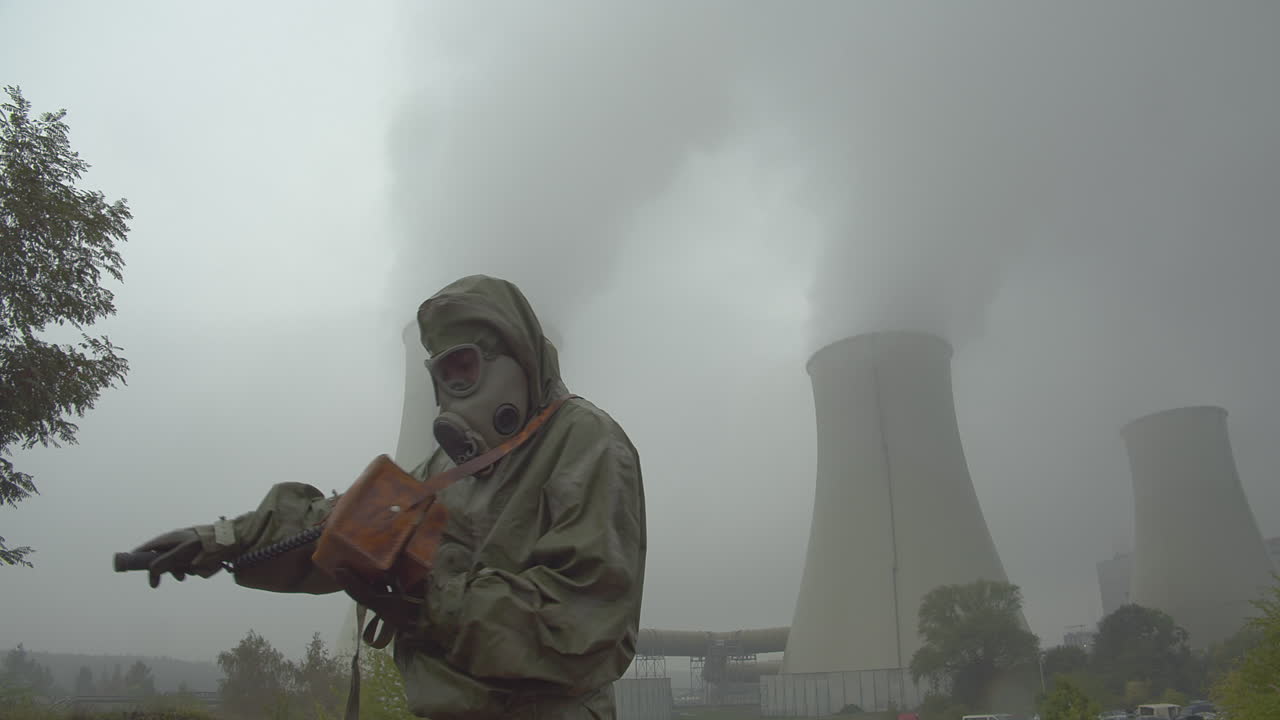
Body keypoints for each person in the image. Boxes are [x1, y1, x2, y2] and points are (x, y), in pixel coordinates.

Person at [131, 275, 647, 720]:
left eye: (464, 368)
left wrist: (426, 586)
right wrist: (223, 539)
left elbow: (580, 624)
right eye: (442, 375)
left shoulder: (586, 444)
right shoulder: (450, 466)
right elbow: (339, 524)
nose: (454, 389)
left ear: (514, 357)